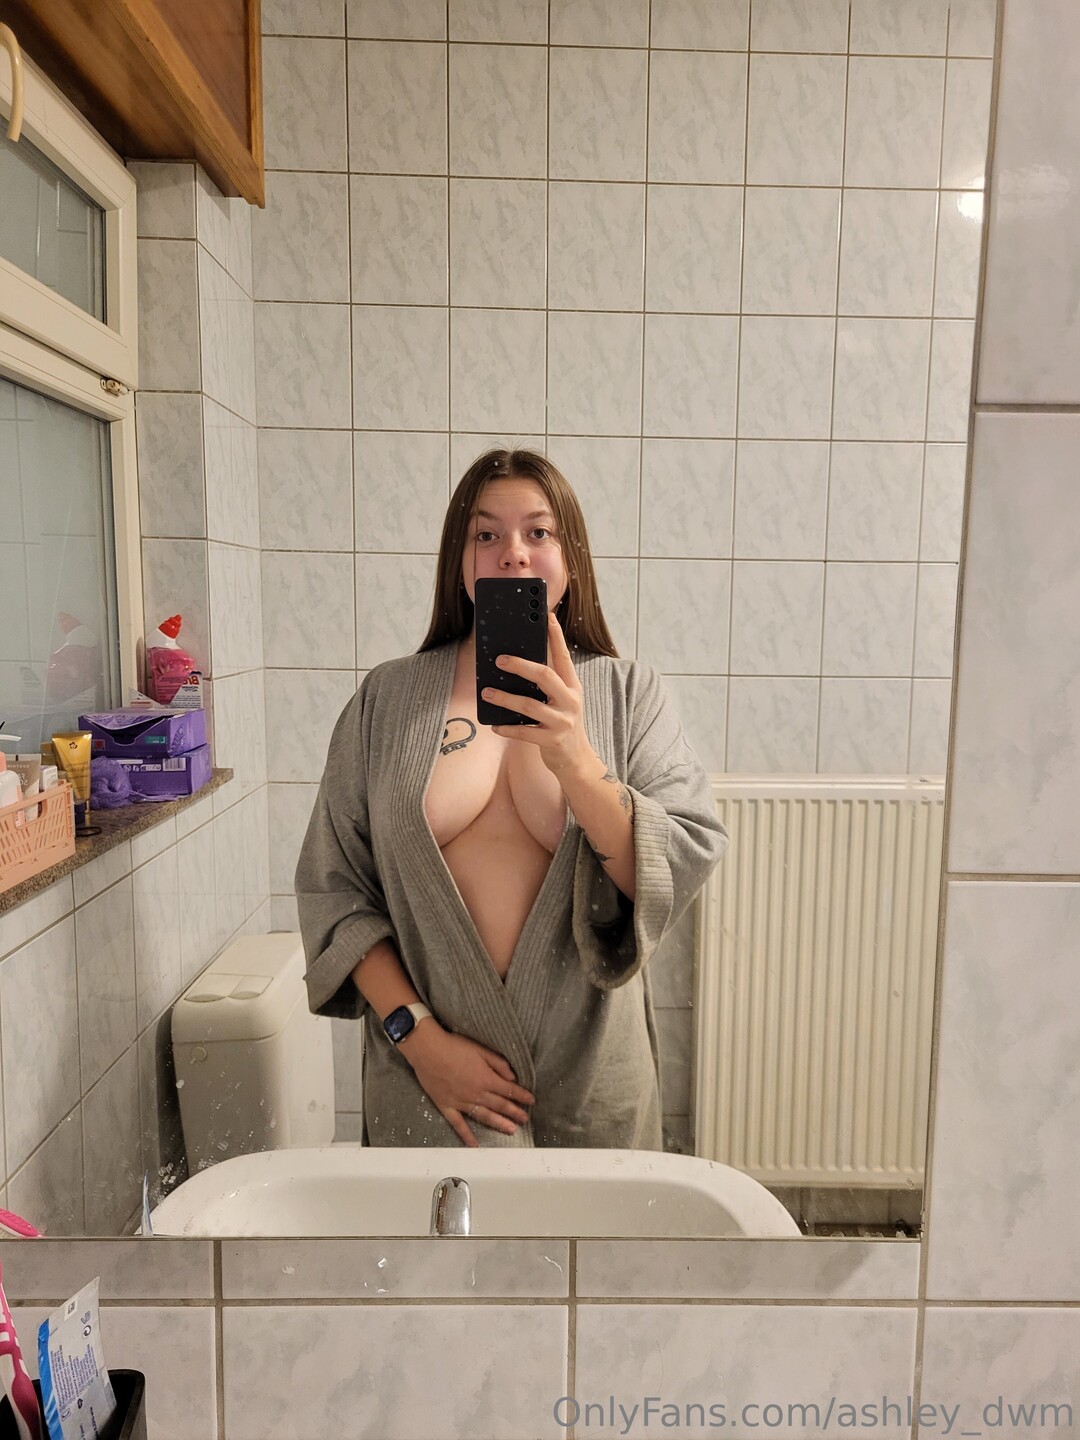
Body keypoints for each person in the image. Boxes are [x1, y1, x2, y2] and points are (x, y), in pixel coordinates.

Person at [295, 448, 728, 1148]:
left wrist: (574, 757)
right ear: (459, 560)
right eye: (486, 533)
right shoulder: (386, 698)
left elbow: (677, 861)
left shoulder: (629, 693)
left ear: (570, 557)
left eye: (539, 531)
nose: (513, 552)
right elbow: (335, 889)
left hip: (591, 1079)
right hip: (432, 1087)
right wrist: (419, 1040)